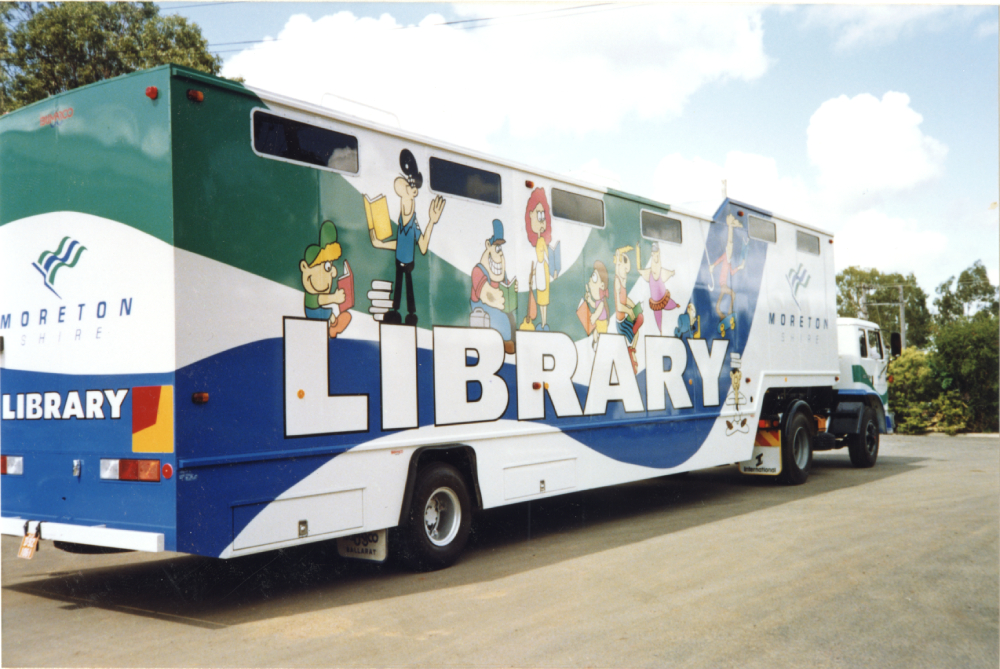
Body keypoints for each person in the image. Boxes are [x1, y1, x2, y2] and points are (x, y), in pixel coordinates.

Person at [369, 148, 446, 326]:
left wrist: (432, 222)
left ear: (412, 195)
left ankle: (411, 315)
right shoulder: (402, 221)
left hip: (409, 263)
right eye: (402, 196)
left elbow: (423, 247)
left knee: (408, 287)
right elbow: (399, 243)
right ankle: (395, 312)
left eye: (406, 194)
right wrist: (380, 244)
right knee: (398, 287)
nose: (404, 201)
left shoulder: (413, 223)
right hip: (398, 261)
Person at [471, 219, 516, 354]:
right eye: (497, 247)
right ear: (488, 245)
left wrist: (513, 291)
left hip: (501, 331)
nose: (500, 253)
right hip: (485, 323)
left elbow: (508, 297)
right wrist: (502, 299)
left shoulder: (503, 274)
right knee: (504, 318)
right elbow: (487, 295)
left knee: (511, 317)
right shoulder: (479, 271)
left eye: (501, 248)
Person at [300, 220, 352, 338]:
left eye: (328, 267)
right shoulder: (312, 296)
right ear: (304, 267)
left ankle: (333, 326)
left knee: (329, 314)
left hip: (316, 311)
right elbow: (319, 299)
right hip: (312, 312)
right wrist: (334, 298)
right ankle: (333, 327)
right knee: (329, 314)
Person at [524, 188, 556, 331]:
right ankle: (542, 323)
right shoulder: (536, 242)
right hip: (539, 270)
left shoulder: (542, 241)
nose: (541, 219)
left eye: (543, 215)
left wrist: (552, 272)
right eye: (538, 214)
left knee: (544, 301)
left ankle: (543, 323)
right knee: (540, 298)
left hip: (543, 269)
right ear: (530, 215)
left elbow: (548, 259)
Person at [636, 242, 679, 334]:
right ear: (652, 255)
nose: (656, 258)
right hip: (656, 303)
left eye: (657, 255)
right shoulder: (649, 273)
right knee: (658, 315)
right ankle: (660, 331)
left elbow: (669, 273)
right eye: (654, 255)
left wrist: (672, 272)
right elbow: (639, 270)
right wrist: (638, 251)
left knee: (671, 304)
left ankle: (676, 305)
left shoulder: (661, 272)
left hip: (664, 298)